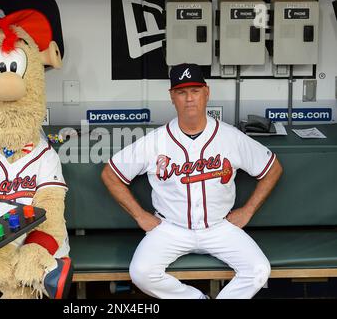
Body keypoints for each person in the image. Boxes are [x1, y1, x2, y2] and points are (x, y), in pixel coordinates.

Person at [101, 63, 283, 299]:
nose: (189, 99)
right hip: (170, 229)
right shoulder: (154, 141)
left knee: (258, 270)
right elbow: (110, 174)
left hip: (219, 227)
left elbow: (273, 168)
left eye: (195, 91)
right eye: (181, 92)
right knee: (141, 273)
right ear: (172, 97)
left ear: (206, 93)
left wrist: (247, 211)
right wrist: (140, 215)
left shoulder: (230, 137)